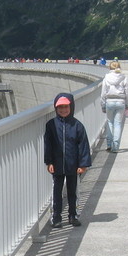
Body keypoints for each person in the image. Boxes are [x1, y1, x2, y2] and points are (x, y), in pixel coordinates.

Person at [43, 93, 92, 228]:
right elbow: (48, 145)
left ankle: (73, 215)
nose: (63, 110)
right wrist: (49, 162)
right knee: (56, 192)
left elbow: (83, 146)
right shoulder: (51, 125)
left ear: (71, 107)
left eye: (66, 107)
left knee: (73, 191)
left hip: (73, 165)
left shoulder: (77, 126)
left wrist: (83, 164)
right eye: (60, 107)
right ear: (55, 108)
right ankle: (56, 216)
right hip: (57, 165)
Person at [100, 61, 128, 153]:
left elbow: (103, 93)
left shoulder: (106, 78)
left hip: (109, 101)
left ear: (110, 68)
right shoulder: (123, 77)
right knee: (118, 123)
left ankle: (109, 144)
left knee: (110, 122)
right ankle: (116, 146)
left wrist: (103, 105)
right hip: (121, 101)